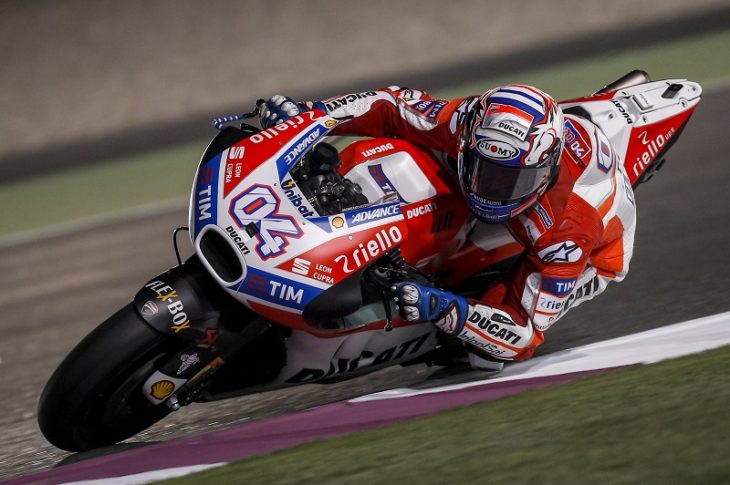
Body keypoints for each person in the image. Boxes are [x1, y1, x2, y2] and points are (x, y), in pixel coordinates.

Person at [259, 85, 636, 370]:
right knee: (408, 158)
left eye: (512, 181)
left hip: (595, 254)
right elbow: (392, 105)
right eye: (484, 170)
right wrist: (310, 116)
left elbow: (521, 336)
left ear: (544, 171)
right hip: (530, 174)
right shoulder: (471, 121)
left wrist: (443, 307)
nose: (492, 191)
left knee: (486, 356)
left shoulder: (568, 231)